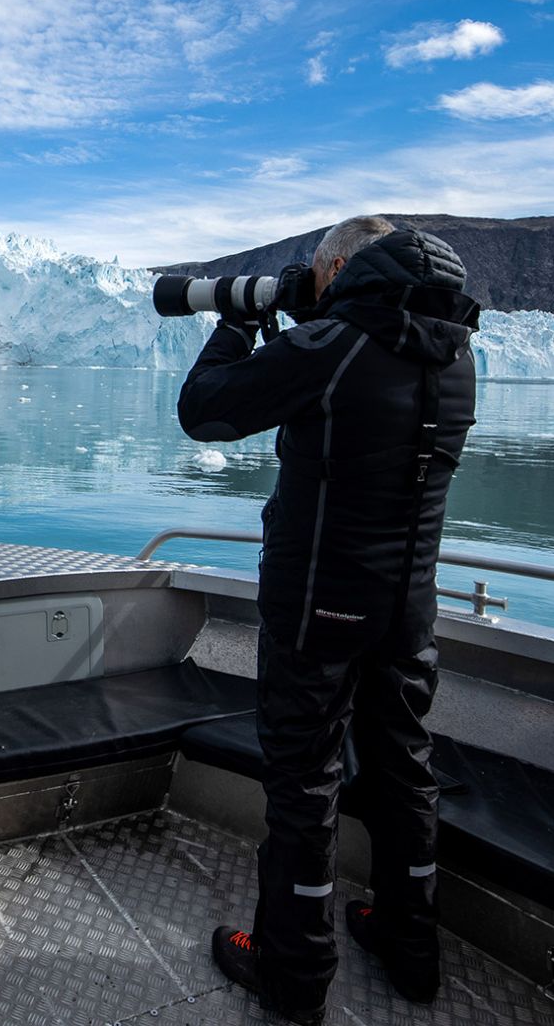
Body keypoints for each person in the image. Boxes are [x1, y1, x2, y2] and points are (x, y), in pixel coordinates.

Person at [176, 216, 480, 1026]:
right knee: (404, 768)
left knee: (305, 784)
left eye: (316, 273)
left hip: (319, 607)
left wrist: (238, 324)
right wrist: (318, 318)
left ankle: (293, 972)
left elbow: (205, 412)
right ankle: (410, 947)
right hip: (407, 608)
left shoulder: (334, 346)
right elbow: (367, 387)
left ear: (340, 267)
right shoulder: (455, 351)